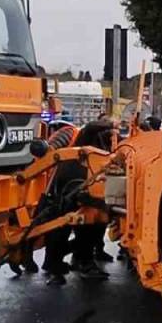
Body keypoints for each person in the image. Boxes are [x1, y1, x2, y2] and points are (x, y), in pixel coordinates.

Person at [41, 120, 115, 285]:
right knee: (73, 226)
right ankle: (75, 264)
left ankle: (60, 264)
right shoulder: (83, 139)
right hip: (72, 186)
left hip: (77, 185)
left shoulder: (94, 144)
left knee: (69, 227)